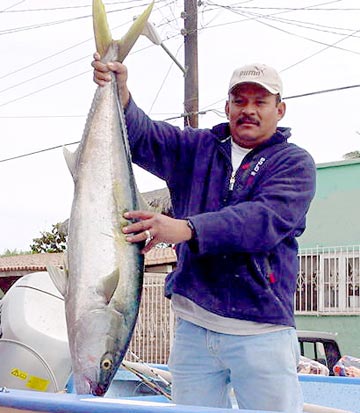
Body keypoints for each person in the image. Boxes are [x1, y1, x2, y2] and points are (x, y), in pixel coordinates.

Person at [92, 57, 316, 412]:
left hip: (261, 332)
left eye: (261, 101)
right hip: (193, 328)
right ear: (227, 107)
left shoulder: (293, 163)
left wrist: (186, 229)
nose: (249, 110)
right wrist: (120, 94)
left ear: (280, 109)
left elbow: (262, 220)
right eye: (240, 101)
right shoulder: (196, 149)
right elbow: (143, 136)